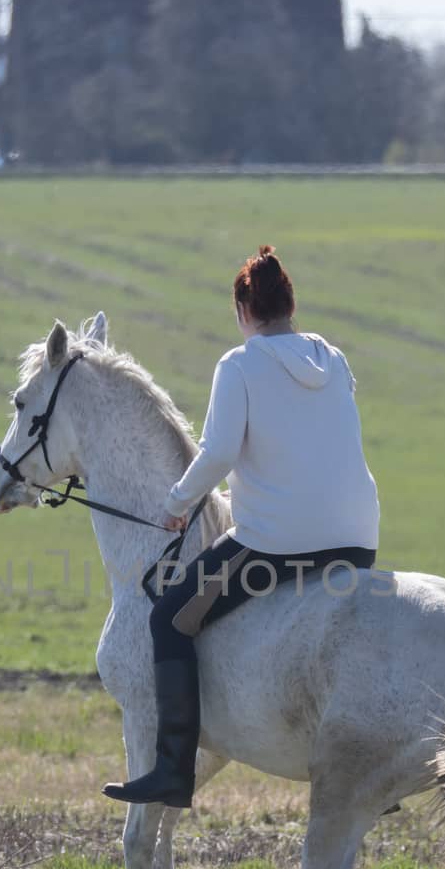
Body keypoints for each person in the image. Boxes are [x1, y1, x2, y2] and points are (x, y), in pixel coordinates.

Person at [102, 245, 381, 809]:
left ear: (243, 309)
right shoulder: (334, 359)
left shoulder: (239, 365)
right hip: (356, 541)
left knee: (171, 618)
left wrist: (179, 502)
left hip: (277, 546)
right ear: (290, 306)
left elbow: (218, 452)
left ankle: (173, 770)